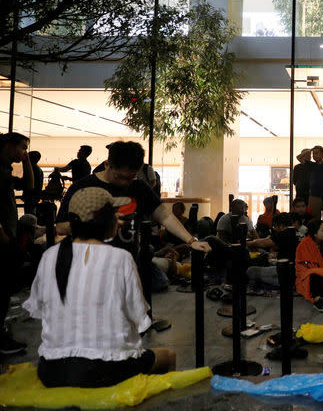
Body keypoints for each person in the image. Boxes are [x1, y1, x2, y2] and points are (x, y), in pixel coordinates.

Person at [23, 187, 176, 387]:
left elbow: (39, 309)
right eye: (115, 213)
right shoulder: (120, 258)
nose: (119, 218)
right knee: (168, 355)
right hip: (104, 369)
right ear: (106, 221)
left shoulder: (50, 256)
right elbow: (139, 319)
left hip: (51, 369)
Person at [55, 142, 211, 254]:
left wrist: (192, 241)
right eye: (120, 177)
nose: (125, 183)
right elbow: (61, 226)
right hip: (89, 262)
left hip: (127, 261)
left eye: (130, 177)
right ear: (107, 164)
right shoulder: (82, 187)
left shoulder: (139, 187)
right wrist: (98, 224)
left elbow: (165, 216)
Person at [0, 132, 33, 355]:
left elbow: (29, 187)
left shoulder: (6, 170)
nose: (24, 152)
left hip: (8, 236)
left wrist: (27, 160)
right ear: (8, 146)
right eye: (22, 147)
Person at [295, 219, 323, 312]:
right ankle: (317, 299)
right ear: (315, 234)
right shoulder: (303, 245)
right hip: (310, 277)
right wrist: (321, 271)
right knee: (314, 273)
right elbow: (302, 268)